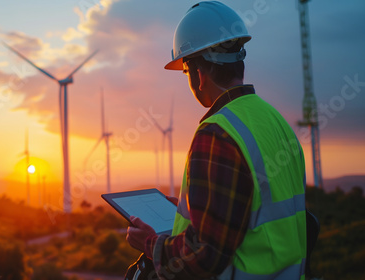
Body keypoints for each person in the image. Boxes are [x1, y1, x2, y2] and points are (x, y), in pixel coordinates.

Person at [126, 2, 307, 279]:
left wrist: (151, 244)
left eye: (186, 72)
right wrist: (195, 210)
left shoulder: (217, 133)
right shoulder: (276, 122)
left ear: (199, 75)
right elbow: (257, 212)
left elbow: (205, 254)